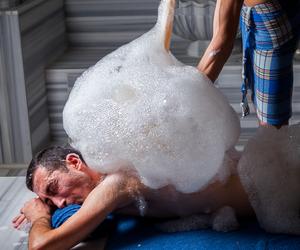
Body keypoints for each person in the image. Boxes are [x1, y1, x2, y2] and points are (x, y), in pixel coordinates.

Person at [12, 146, 253, 250]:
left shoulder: (115, 183)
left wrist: (38, 217)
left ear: (74, 162)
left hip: (268, 186)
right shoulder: (112, 174)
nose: (59, 203)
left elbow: (43, 246)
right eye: (49, 201)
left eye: (54, 189)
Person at [197, 0, 300, 127]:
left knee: (272, 128)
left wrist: (189, 97)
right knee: (268, 119)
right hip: (272, 14)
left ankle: (275, 141)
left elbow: (220, 45)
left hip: (272, 25)